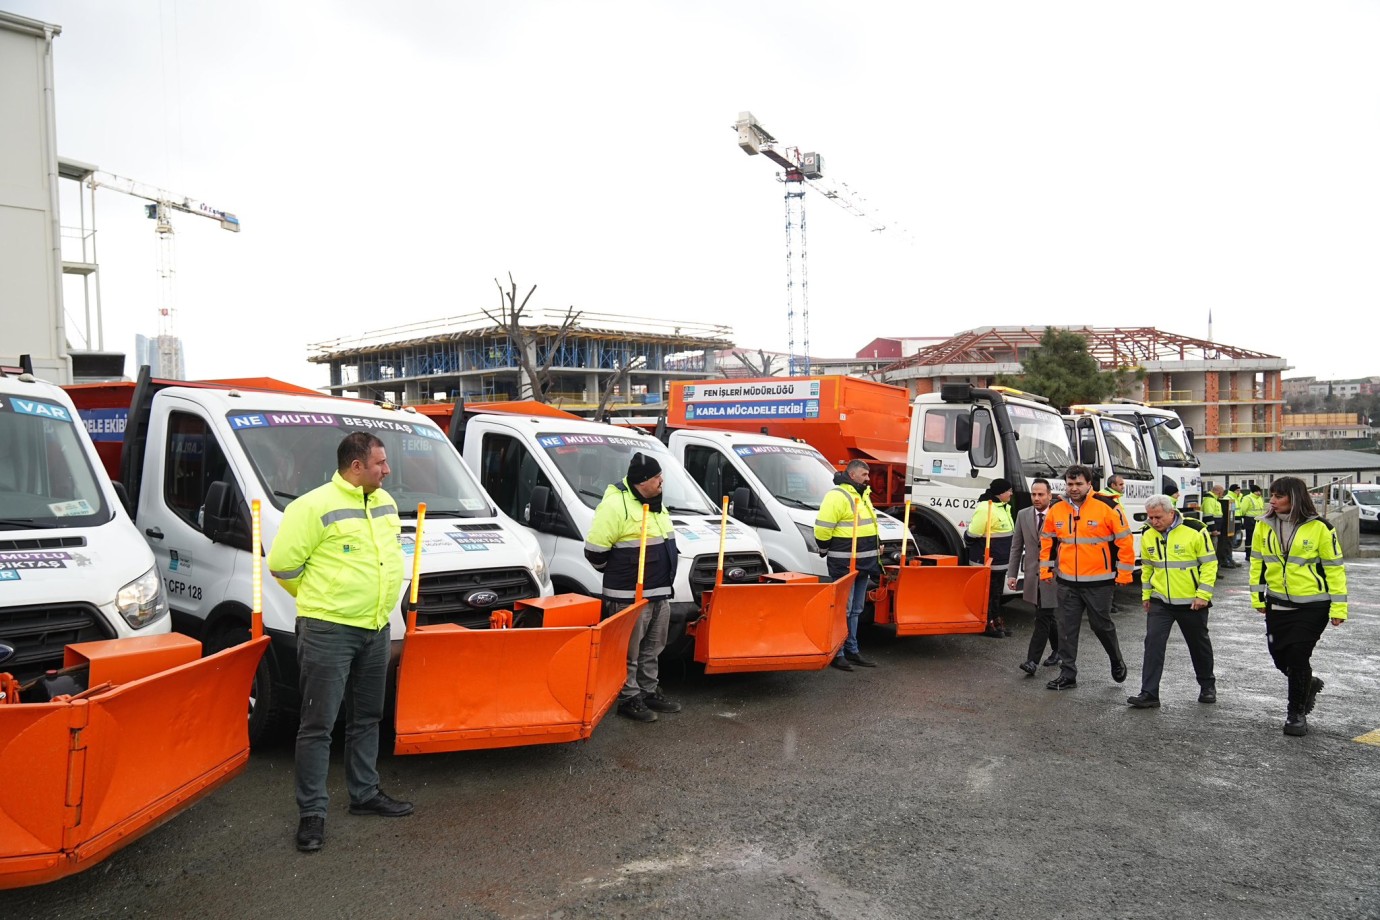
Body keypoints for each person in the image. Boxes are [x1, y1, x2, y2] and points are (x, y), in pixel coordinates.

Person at [268, 432, 413, 855]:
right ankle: (312, 813)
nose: (387, 470)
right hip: (328, 630)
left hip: (375, 627)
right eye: (380, 463)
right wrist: (320, 600)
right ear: (356, 467)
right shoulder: (311, 507)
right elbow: (282, 566)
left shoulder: (385, 503)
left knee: (367, 716)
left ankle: (365, 794)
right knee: (318, 725)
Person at [585, 451, 682, 723]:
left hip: (658, 591)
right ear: (642, 481)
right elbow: (595, 552)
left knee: (654, 647)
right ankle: (629, 697)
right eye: (656, 476)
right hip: (629, 594)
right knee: (629, 650)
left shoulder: (656, 502)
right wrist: (623, 575)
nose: (662, 480)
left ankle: (648, 690)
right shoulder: (616, 505)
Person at [1249, 476, 1348, 737]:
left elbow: (1334, 570)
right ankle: (1308, 683)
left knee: (1297, 656)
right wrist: (1258, 598)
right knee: (1279, 656)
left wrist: (1339, 607)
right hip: (1276, 604)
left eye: (1279, 496)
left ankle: (1296, 714)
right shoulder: (1263, 526)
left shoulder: (1321, 528)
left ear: (1295, 498)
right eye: (1271, 495)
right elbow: (1257, 564)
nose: (1272, 500)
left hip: (1313, 607)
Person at [1039, 464, 1134, 691]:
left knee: (1101, 625)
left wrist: (1125, 574)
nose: (1074, 488)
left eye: (1079, 484)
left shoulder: (1108, 506)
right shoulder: (1057, 509)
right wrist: (1045, 570)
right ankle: (1068, 674)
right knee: (1066, 628)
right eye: (1070, 484)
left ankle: (1115, 659)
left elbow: (1125, 542)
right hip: (1067, 582)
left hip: (1099, 582)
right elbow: (1047, 542)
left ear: (1089, 484)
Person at [1127, 495, 1218, 708]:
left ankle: (1207, 686)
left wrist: (1203, 595)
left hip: (1191, 603)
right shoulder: (1148, 532)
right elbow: (1148, 568)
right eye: (1150, 517)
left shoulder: (1195, 530)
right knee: (1153, 644)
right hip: (1161, 602)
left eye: (1158, 517)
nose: (1154, 521)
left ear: (1171, 513)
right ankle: (1149, 693)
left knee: (1198, 645)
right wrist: (1146, 596)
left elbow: (1209, 565)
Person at [814, 459, 881, 671]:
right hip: (845, 563)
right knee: (844, 609)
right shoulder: (838, 496)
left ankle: (852, 650)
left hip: (863, 562)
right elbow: (823, 528)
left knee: (856, 610)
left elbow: (869, 527)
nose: (868, 479)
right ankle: (839, 652)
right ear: (852, 475)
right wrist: (824, 548)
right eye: (864, 475)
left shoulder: (863, 495)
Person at [1006, 478, 1059, 674]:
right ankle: (1058, 650)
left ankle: (1032, 661)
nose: (1036, 498)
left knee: (1042, 617)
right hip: (1032, 576)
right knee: (1048, 615)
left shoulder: (1059, 515)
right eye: (1033, 494)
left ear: (1049, 496)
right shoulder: (1023, 514)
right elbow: (1016, 546)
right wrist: (1012, 574)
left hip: (1053, 576)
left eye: (1040, 495)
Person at [967, 478, 1015, 638]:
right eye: (1009, 490)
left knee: (996, 594)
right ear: (1001, 493)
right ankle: (987, 624)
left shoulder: (1004, 507)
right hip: (987, 560)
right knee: (987, 594)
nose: (1011, 493)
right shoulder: (985, 508)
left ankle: (996, 621)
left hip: (1000, 561)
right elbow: (973, 533)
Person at [1238, 484, 1264, 562]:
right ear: (1253, 492)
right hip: (1250, 520)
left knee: (1258, 538)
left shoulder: (1260, 498)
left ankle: (1257, 554)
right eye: (1257, 491)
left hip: (1259, 520)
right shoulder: (1247, 498)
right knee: (1250, 538)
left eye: (1259, 491)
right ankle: (1248, 555)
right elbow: (1243, 509)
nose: (1259, 493)